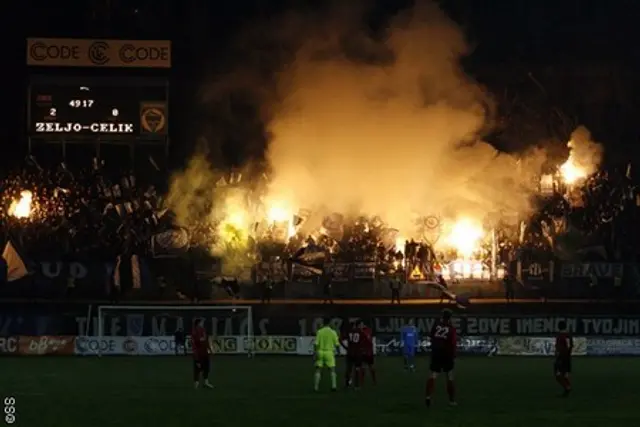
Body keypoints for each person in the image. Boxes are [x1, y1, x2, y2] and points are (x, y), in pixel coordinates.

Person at [425, 309, 457, 407]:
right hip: (446, 354)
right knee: (449, 376)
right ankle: (451, 401)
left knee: (433, 375)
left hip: (436, 353)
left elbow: (431, 337)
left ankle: (428, 396)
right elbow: (453, 343)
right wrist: (453, 355)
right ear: (450, 318)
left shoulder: (436, 325)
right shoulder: (451, 329)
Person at [314, 319, 340, 392]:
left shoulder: (319, 332)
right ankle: (334, 386)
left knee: (318, 369)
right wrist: (338, 352)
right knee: (332, 369)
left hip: (320, 351)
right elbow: (337, 344)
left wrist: (315, 352)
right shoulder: (333, 332)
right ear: (329, 323)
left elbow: (316, 344)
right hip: (329, 352)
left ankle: (316, 387)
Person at [341, 321, 365, 389]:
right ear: (357, 325)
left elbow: (340, 339)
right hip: (357, 353)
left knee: (349, 368)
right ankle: (356, 385)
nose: (362, 326)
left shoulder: (349, 332)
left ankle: (347, 384)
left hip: (350, 352)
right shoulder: (361, 332)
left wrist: (345, 347)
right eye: (361, 325)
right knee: (357, 369)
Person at [191, 319, 213, 389]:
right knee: (198, 368)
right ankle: (196, 383)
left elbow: (206, 341)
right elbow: (195, 343)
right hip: (199, 353)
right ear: (198, 323)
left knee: (206, 368)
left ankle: (206, 383)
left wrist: (209, 349)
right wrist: (196, 355)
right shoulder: (195, 331)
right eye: (202, 322)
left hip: (204, 352)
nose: (203, 323)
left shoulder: (203, 330)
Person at [554, 321, 573, 397]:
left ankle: (567, 387)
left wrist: (558, 354)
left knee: (557, 373)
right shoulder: (569, 335)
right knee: (565, 373)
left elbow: (558, 347)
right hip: (568, 357)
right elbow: (571, 345)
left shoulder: (560, 336)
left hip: (561, 357)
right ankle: (567, 388)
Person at [359, 321, 377, 385]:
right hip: (367, 352)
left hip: (367, 352)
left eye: (361, 324)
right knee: (364, 366)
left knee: (369, 366)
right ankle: (363, 381)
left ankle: (373, 380)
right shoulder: (366, 331)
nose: (360, 326)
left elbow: (368, 340)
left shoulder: (365, 331)